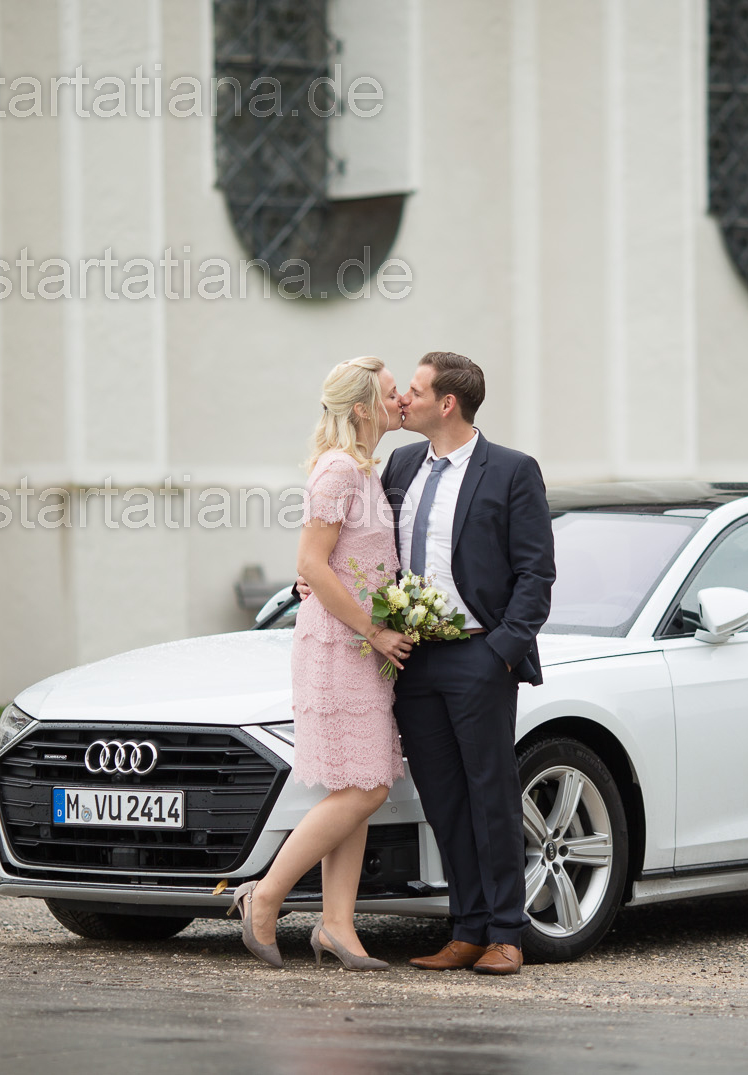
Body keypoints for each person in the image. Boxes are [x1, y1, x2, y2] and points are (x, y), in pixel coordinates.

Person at [229, 356, 415, 971]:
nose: (401, 401)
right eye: (392, 393)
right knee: (367, 787)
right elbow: (310, 563)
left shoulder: (364, 470)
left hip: (359, 648)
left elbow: (336, 564)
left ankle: (338, 926)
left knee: (354, 784)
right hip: (341, 648)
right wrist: (375, 630)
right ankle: (264, 896)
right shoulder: (338, 470)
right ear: (362, 408)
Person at [384, 351, 556, 976]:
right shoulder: (400, 464)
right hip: (413, 658)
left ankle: (508, 933)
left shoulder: (511, 470)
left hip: (479, 655)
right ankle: (466, 928)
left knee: (491, 795)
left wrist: (501, 652)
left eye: (415, 390)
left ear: (447, 403)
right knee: (444, 799)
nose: (404, 399)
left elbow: (536, 572)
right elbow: (371, 546)